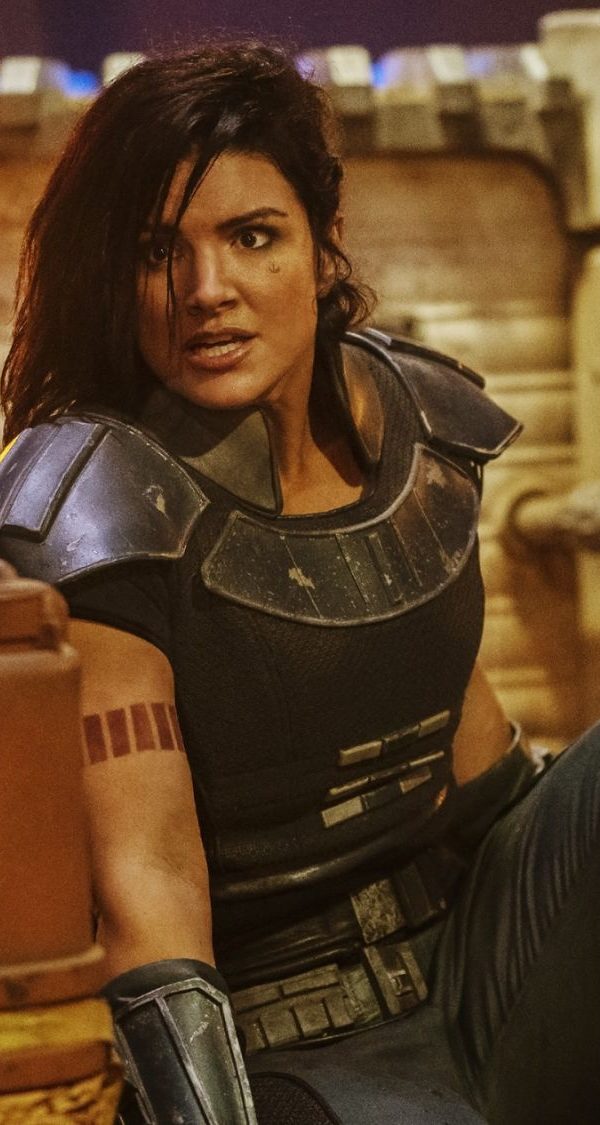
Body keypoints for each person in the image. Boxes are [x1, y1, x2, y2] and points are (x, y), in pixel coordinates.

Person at [0, 40, 599, 1125]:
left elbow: (483, 777)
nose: (207, 291)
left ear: (323, 249)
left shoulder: (414, 418)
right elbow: (150, 888)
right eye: (158, 251)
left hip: (477, 957)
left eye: (253, 236)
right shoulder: (102, 502)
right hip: (292, 1039)